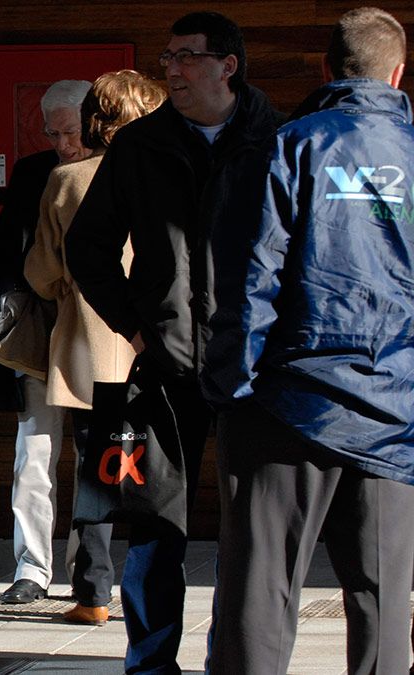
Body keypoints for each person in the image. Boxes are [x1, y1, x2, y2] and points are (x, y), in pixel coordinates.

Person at [65, 12, 279, 673]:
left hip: (254, 367)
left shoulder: (276, 140)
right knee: (156, 524)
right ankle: (151, 663)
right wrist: (134, 325)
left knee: (256, 529)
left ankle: (238, 658)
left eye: (187, 58)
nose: (174, 71)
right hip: (164, 360)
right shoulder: (141, 146)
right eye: (168, 59)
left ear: (228, 65)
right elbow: (86, 245)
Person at [202, 7, 414, 673]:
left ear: (326, 69)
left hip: (285, 404)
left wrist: (231, 387)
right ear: (398, 74)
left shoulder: (283, 144)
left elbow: (243, 278)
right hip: (395, 409)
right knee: (383, 599)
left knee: (261, 594)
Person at [25, 70, 167, 625]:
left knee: (96, 469)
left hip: (90, 342)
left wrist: (67, 286)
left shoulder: (68, 180)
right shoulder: (162, 175)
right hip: (156, 344)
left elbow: (40, 272)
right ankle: (155, 591)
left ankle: (94, 594)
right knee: (154, 469)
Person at [0, 79, 93, 606]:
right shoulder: (32, 172)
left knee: (94, 453)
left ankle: (87, 566)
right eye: (52, 133)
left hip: (96, 330)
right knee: (34, 450)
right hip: (41, 329)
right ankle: (32, 567)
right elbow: (6, 246)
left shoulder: (114, 166)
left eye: (69, 132)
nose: (61, 144)